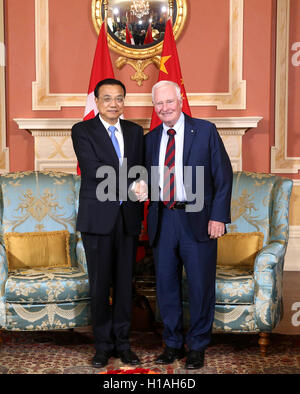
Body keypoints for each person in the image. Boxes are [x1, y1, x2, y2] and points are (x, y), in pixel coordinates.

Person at [145, 80, 233, 369]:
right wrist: (137, 187)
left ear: (181, 100)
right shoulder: (151, 138)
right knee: (166, 286)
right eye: (159, 103)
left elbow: (223, 176)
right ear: (154, 106)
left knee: (200, 285)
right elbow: (144, 179)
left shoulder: (205, 131)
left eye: (169, 102)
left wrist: (218, 216)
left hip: (199, 218)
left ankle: (197, 345)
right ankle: (172, 344)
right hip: (164, 219)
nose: (164, 108)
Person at [71, 78, 144, 368]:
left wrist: (143, 185)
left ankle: (123, 344)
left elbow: (141, 169)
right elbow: (95, 171)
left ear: (124, 102)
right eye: (108, 99)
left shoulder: (135, 131)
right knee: (100, 285)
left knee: (125, 284)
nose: (114, 104)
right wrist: (132, 185)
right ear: (97, 102)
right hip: (97, 219)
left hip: (127, 218)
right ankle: (102, 345)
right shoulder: (82, 130)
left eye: (119, 98)